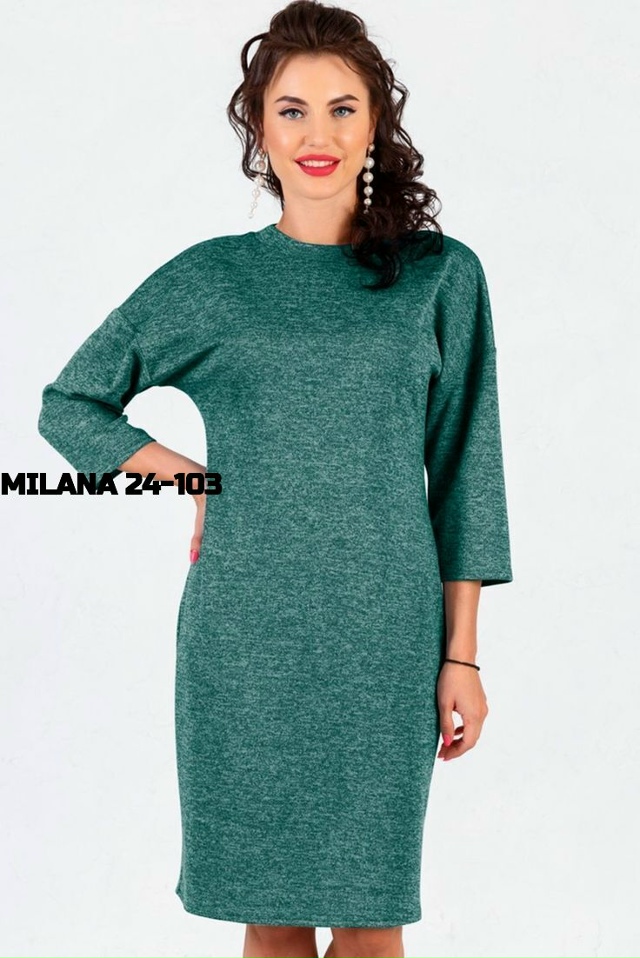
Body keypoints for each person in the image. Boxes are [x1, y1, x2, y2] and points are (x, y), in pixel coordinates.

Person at [37, 2, 514, 956]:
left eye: (342, 108)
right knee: (273, 924)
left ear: (376, 124)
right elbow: (70, 405)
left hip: (385, 641)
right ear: (258, 125)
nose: (316, 134)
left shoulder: (439, 276)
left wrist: (461, 656)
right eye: (291, 110)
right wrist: (189, 479)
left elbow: (470, 470)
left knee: (373, 929)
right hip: (245, 640)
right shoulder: (213, 280)